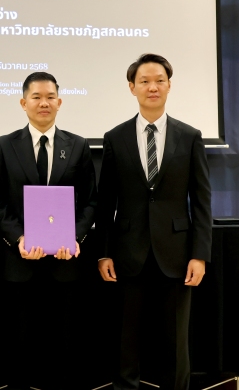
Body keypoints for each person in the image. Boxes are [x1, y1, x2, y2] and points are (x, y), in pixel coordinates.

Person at [96, 54, 212, 390]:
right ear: (131, 87)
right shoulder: (115, 137)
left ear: (169, 86)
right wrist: (103, 252)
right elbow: (105, 202)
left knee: (175, 341)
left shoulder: (189, 136)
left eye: (159, 80)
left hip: (176, 254)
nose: (152, 87)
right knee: (126, 338)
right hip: (127, 252)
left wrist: (200, 254)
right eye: (144, 81)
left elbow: (202, 200)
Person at [0, 71, 98, 390]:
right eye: (36, 97)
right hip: (20, 260)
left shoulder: (78, 146)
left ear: (59, 102)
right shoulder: (4, 145)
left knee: (63, 341)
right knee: (20, 339)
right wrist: (18, 237)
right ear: (24, 103)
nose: (43, 103)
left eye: (50, 97)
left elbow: (90, 201)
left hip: (65, 261)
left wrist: (74, 236)